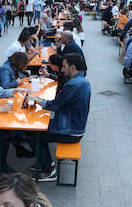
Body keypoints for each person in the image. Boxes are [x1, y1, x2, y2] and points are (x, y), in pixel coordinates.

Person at [30, 53, 90, 181]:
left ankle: (49, 170)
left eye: (64, 66)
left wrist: (36, 100)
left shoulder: (73, 85)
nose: (62, 69)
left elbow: (54, 105)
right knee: (39, 129)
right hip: (75, 126)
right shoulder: (83, 80)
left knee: (33, 135)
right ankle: (45, 162)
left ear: (72, 67)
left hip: (70, 131)